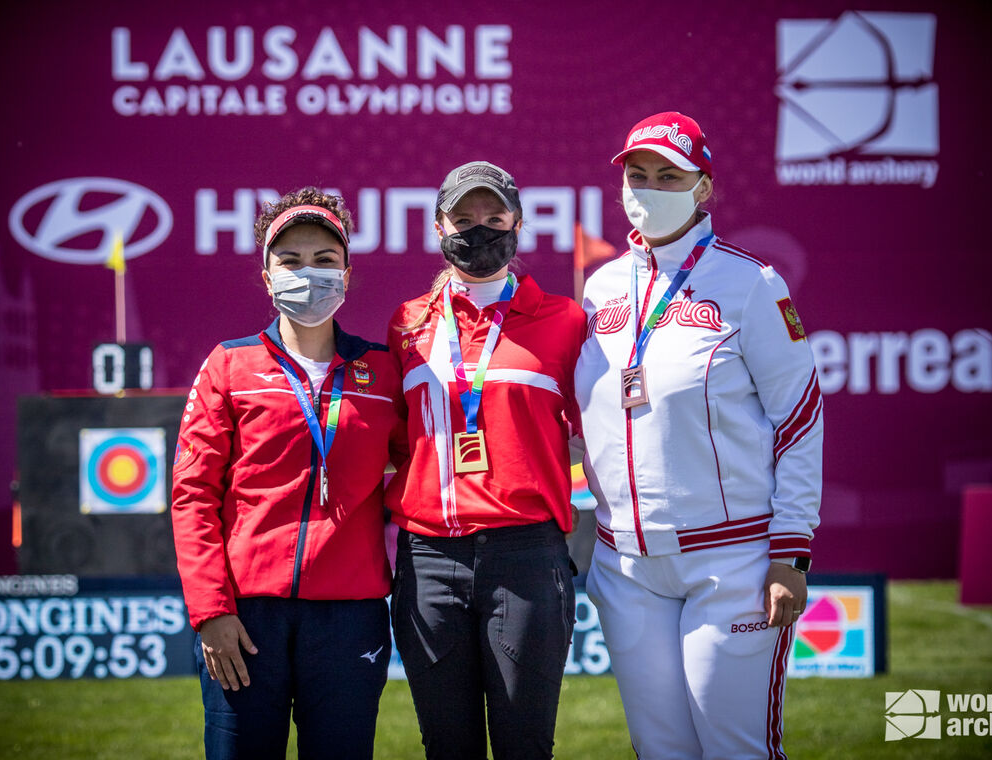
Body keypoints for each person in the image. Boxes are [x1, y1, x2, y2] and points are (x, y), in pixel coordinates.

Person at [575, 112, 823, 759]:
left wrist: (790, 552)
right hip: (626, 564)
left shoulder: (751, 284)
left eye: (668, 175)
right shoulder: (599, 289)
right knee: (660, 752)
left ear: (703, 187)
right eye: (638, 174)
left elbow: (799, 418)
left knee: (734, 749)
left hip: (732, 560)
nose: (649, 188)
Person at [171, 187, 406, 760]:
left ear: (347, 276)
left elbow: (416, 468)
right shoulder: (230, 364)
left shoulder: (383, 371)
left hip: (351, 618)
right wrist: (211, 612)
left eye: (325, 260)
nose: (309, 273)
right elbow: (193, 494)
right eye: (292, 260)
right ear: (267, 274)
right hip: (246, 619)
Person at [386, 160, 585, 760]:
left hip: (526, 558)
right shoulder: (407, 323)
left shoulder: (565, 321)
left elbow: (592, 437)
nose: (479, 230)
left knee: (526, 748)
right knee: (448, 749)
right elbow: (398, 440)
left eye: (494, 218)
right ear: (438, 226)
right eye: (464, 219)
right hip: (429, 561)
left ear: (518, 224)